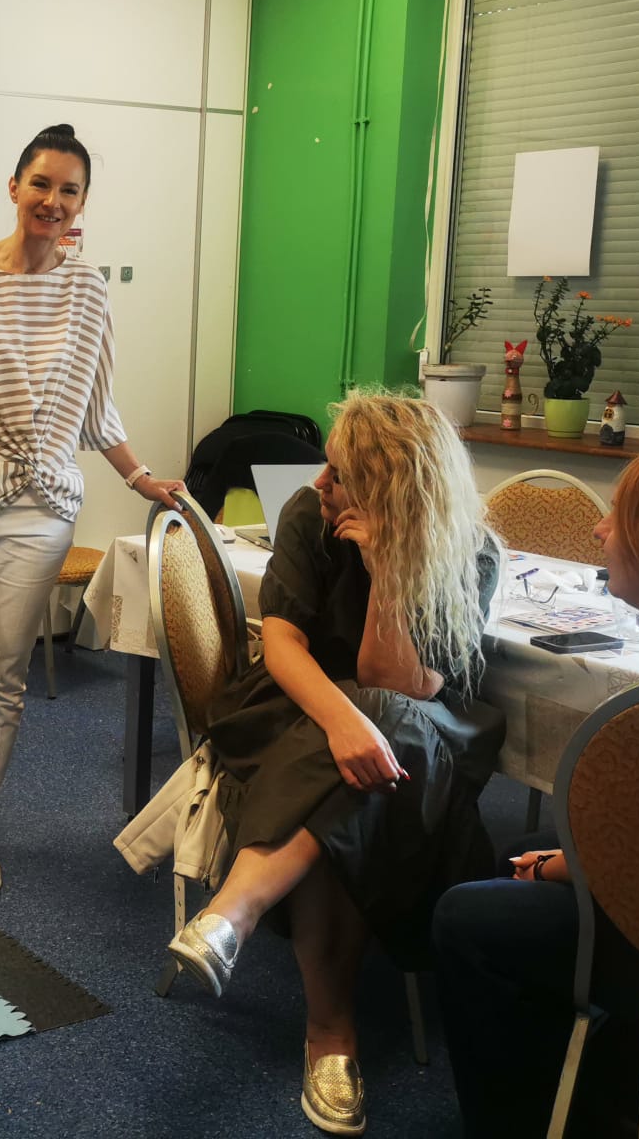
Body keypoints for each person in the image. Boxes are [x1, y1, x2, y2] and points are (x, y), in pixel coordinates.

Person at [164, 391, 504, 1136]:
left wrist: (387, 567)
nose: (319, 484)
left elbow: (400, 683)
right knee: (352, 780)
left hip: (412, 725)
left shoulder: (470, 551)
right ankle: (329, 1033)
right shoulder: (307, 517)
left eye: (341, 474)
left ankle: (237, 921)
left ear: (392, 491)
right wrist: (344, 719)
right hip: (296, 706)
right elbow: (283, 645)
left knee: (372, 749)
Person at [0, 122, 185, 895]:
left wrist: (140, 477)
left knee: (9, 676)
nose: (54, 200)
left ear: (82, 202)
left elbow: (98, 406)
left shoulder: (87, 289)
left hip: (43, 504)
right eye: (42, 184)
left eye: (70, 190)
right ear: (15, 187)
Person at [432, 442, 639, 1139]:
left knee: (466, 916)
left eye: (618, 518)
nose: (599, 530)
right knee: (518, 847)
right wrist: (562, 859)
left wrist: (562, 868)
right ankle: (603, 1079)